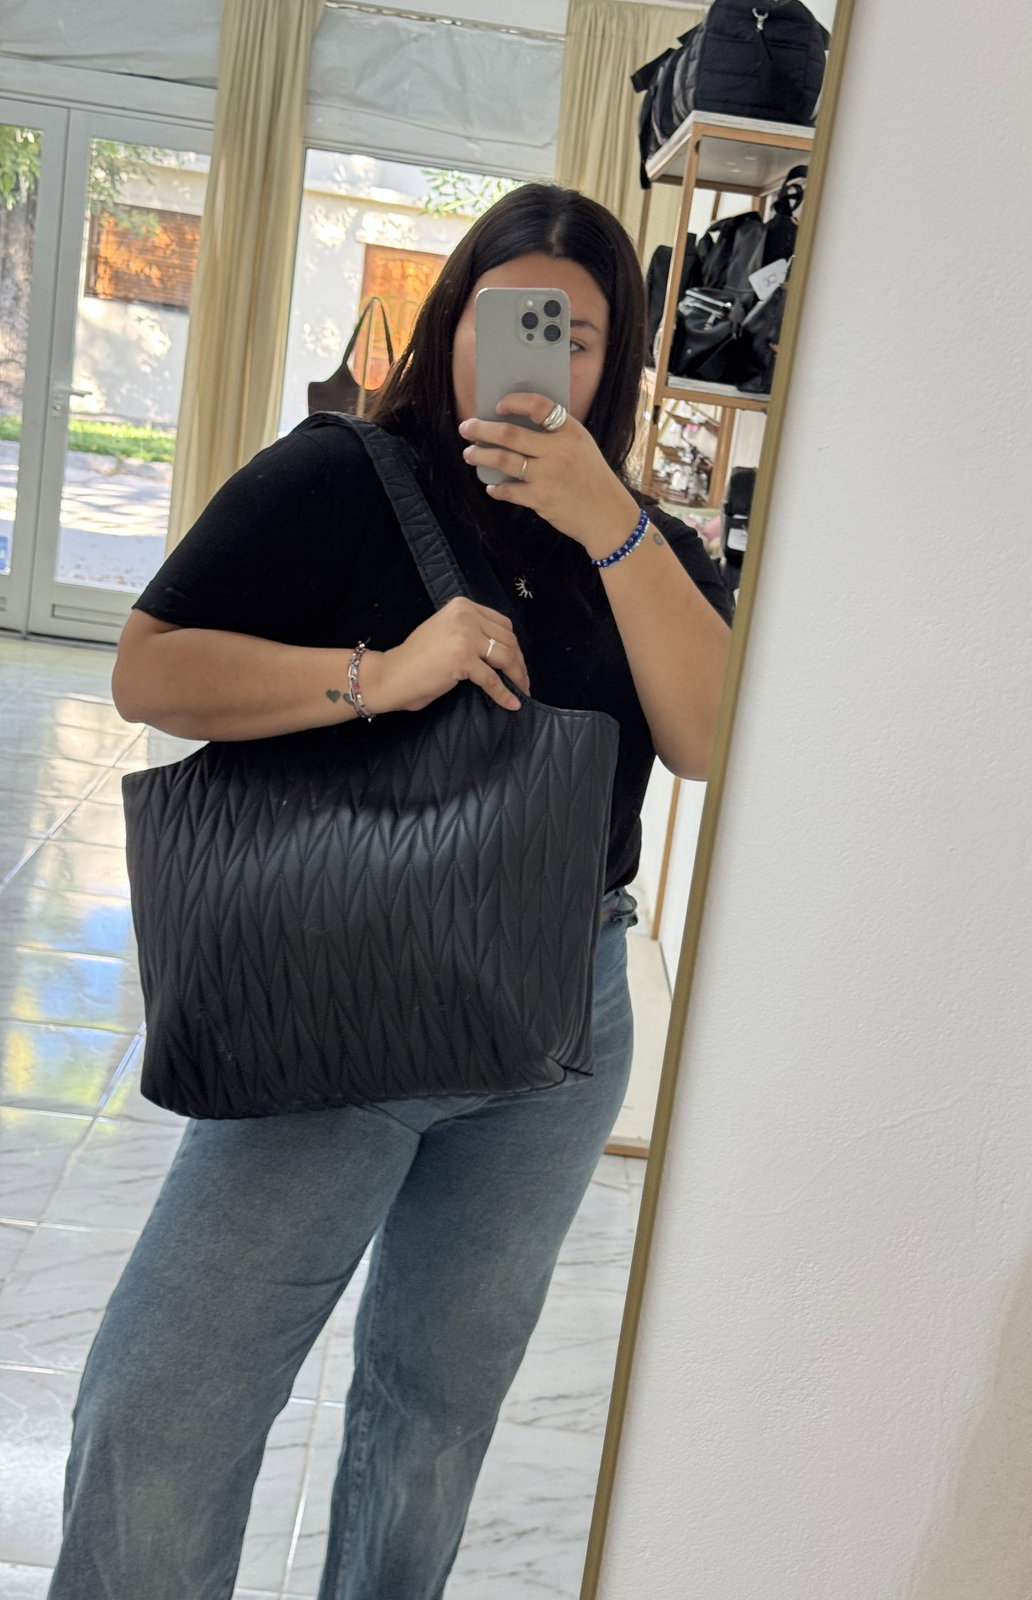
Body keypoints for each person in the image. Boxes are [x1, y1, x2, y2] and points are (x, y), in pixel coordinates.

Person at [47, 183, 733, 1600]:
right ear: (453, 318)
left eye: (578, 335)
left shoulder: (646, 546)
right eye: (506, 316)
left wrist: (612, 526)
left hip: (556, 1028)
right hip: (342, 987)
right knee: (163, 1415)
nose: (538, 354)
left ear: (616, 359)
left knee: (430, 1425)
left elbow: (711, 738)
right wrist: (382, 674)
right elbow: (149, 670)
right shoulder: (344, 475)